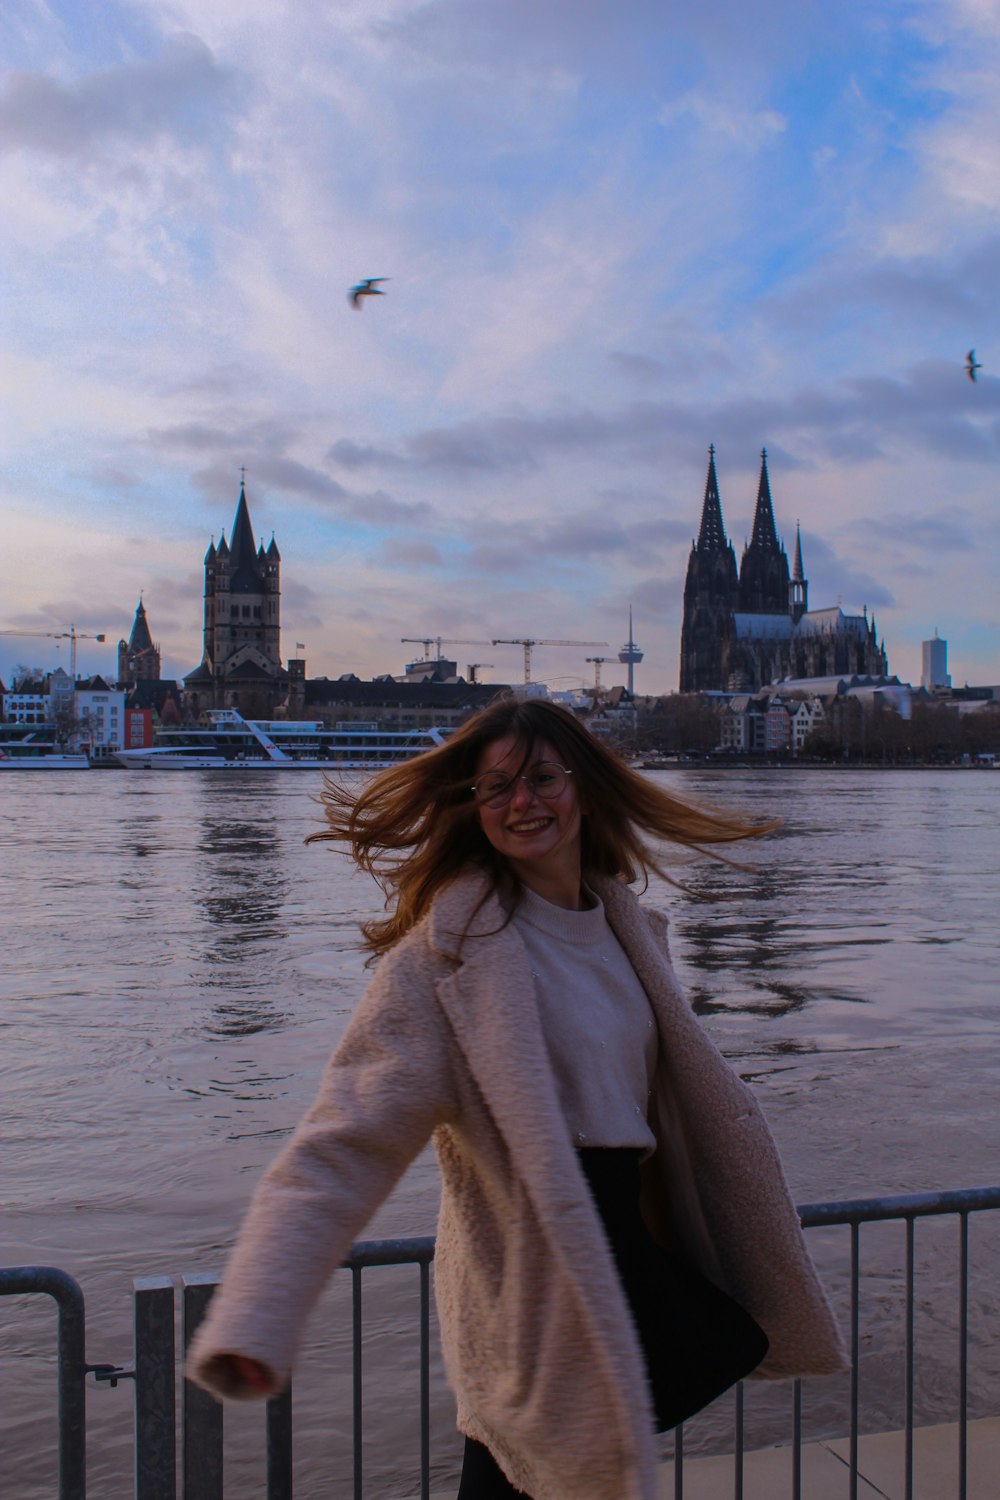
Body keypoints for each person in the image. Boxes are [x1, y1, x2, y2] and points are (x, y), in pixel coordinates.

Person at [188, 696, 846, 1500]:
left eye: (540, 777)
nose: (520, 802)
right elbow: (341, 1144)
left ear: (587, 787)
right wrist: (257, 1314)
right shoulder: (445, 962)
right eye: (494, 788)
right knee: (531, 1468)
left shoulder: (630, 929)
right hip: (534, 1265)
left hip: (632, 1251)